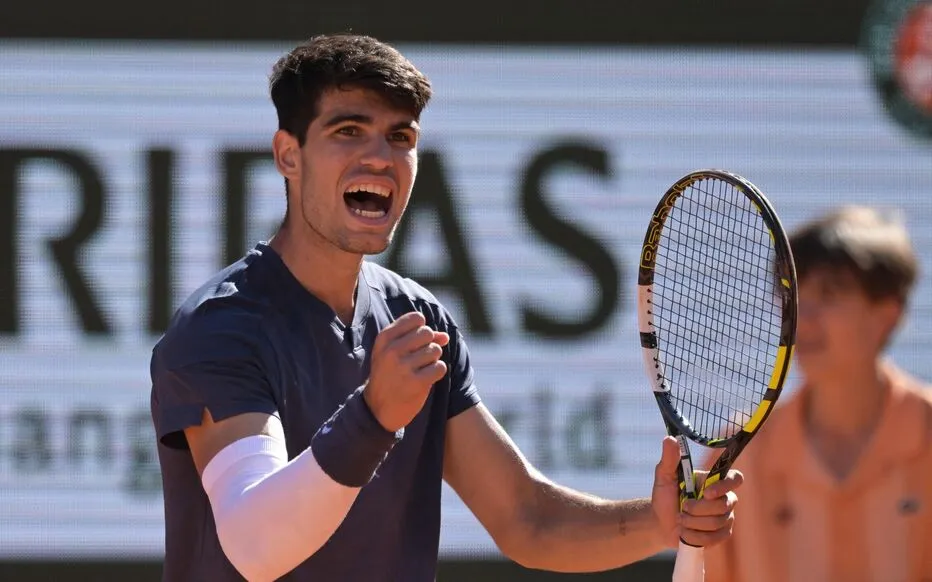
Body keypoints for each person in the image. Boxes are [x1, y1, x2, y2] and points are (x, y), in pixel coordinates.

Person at [149, 33, 742, 582]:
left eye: (400, 137)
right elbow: (256, 547)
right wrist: (374, 416)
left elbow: (527, 520)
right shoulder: (221, 330)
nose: (381, 156)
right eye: (348, 131)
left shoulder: (418, 317)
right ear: (288, 155)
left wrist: (659, 523)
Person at [705, 206, 932, 582]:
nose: (803, 314)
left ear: (887, 314)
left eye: (830, 292)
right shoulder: (736, 454)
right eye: (791, 292)